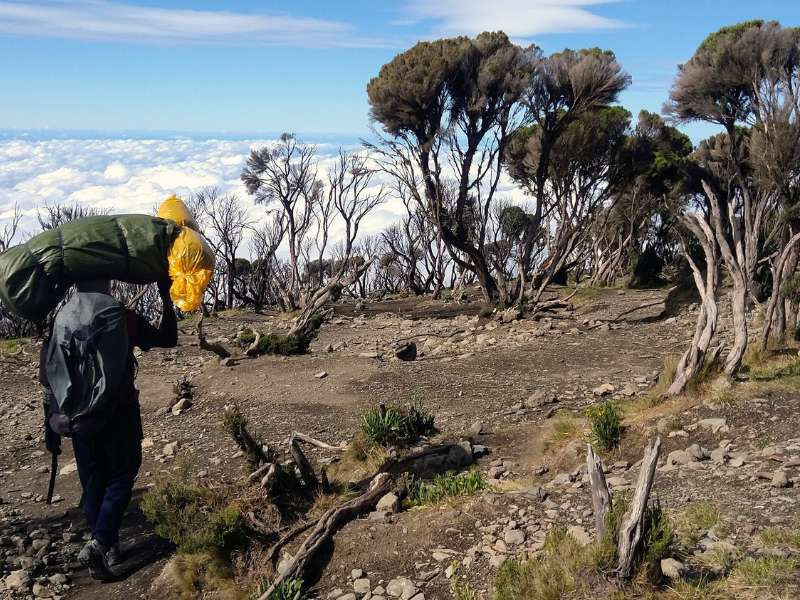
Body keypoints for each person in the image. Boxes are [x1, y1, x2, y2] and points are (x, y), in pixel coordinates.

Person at [40, 280, 177, 581]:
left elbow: (47, 375)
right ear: (108, 281)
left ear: (77, 282)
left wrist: (50, 423)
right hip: (120, 413)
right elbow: (168, 339)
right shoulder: (124, 317)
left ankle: (108, 544)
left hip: (78, 417)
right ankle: (101, 542)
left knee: (93, 481)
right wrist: (165, 297)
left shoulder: (61, 318)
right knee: (123, 472)